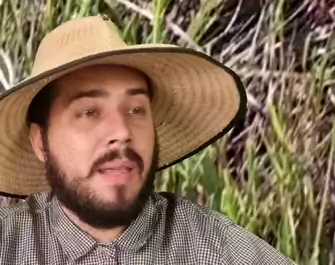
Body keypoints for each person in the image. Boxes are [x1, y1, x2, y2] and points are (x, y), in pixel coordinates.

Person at [0, 14, 296, 263]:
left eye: (136, 110)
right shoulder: (9, 246)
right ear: (41, 142)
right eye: (89, 112)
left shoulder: (219, 250)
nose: (122, 132)